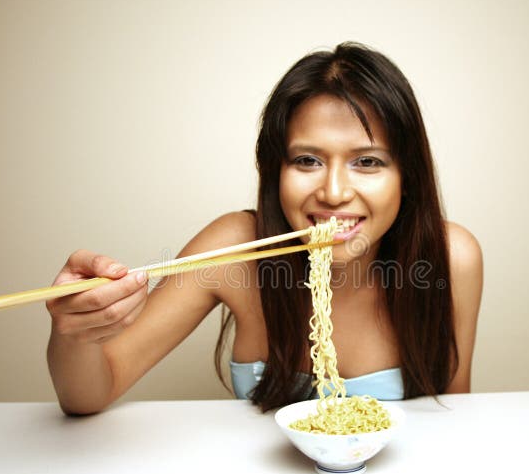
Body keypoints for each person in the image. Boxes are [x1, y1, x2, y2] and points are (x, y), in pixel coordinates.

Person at [45, 42, 484, 415]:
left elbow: (453, 422)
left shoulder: (451, 257)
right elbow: (92, 392)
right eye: (307, 160)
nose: (333, 192)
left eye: (367, 162)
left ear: (407, 176)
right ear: (275, 171)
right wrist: (76, 333)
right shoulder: (232, 247)